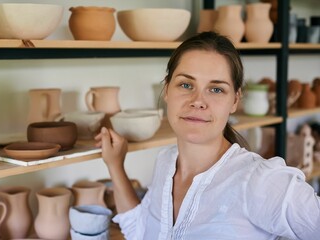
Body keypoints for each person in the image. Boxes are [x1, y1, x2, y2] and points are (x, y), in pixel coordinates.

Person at [94, 31, 320, 240]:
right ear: (166, 90)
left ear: (235, 100)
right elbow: (141, 230)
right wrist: (115, 165)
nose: (198, 101)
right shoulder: (166, 162)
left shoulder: (258, 181)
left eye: (216, 89)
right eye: (185, 84)